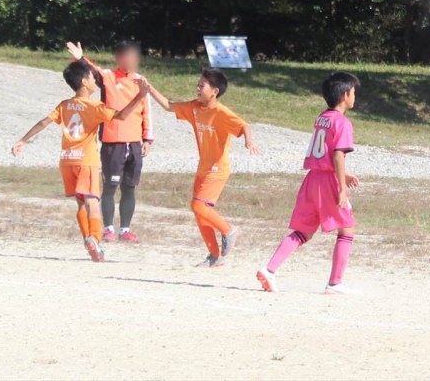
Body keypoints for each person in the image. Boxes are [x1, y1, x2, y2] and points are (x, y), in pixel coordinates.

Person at [12, 62, 149, 262]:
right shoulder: (95, 107)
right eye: (93, 78)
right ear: (84, 82)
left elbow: (44, 122)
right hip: (86, 161)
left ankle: (87, 239)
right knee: (92, 202)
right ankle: (95, 239)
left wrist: (23, 140)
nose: (95, 82)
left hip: (67, 161)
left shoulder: (65, 105)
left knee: (81, 204)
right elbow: (121, 116)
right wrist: (139, 96)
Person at [257, 71, 361, 294]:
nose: (355, 96)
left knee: (304, 231)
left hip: (312, 179)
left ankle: (269, 270)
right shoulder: (343, 122)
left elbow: (325, 154)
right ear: (344, 95)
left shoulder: (322, 118)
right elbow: (337, 155)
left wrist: (345, 174)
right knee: (347, 229)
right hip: (328, 182)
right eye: (353, 92)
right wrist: (342, 187)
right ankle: (335, 283)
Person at [146, 68, 260, 267]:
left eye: (202, 85)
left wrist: (248, 141)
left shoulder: (221, 112)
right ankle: (215, 256)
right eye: (198, 85)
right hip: (203, 167)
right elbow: (169, 106)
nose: (197, 88)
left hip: (217, 169)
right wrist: (150, 89)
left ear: (214, 92)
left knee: (198, 206)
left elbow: (244, 125)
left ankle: (229, 230)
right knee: (198, 210)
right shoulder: (194, 107)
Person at [66, 40, 153, 243]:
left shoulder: (141, 81)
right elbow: (92, 71)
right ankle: (108, 229)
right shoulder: (108, 77)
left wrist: (147, 138)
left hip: (134, 143)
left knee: (129, 187)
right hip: (112, 142)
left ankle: (125, 230)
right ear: (119, 58)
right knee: (110, 187)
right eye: (125, 56)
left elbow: (147, 111)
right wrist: (80, 58)